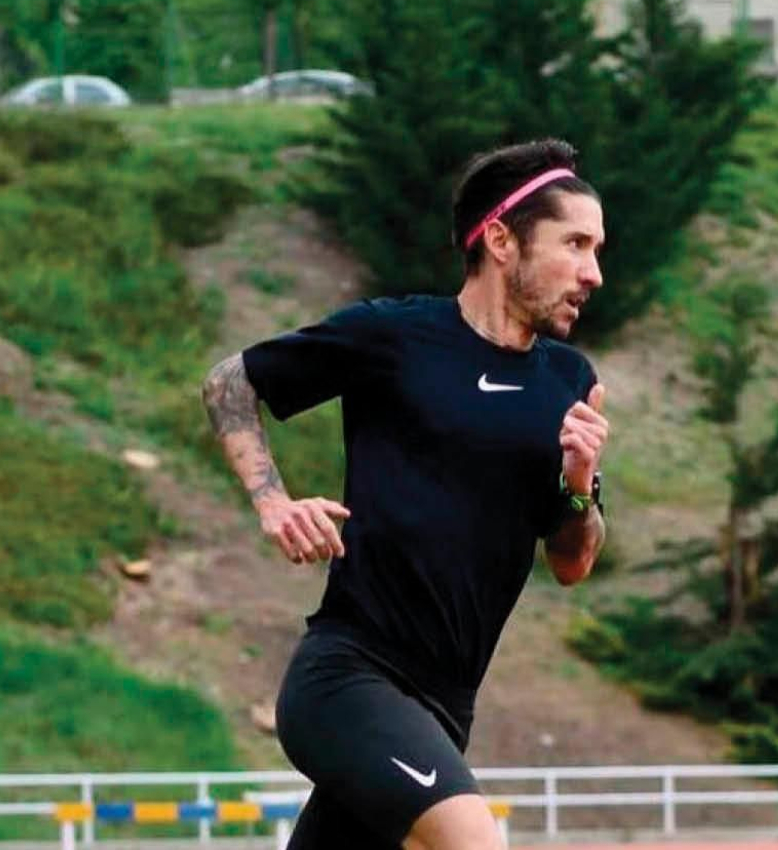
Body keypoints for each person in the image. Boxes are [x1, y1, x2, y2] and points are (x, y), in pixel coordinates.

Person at [200, 138, 608, 850]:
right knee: (476, 843)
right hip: (349, 678)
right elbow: (231, 383)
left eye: (598, 249)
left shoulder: (570, 383)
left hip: (445, 708)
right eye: (575, 244)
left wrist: (578, 487)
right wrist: (273, 500)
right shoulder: (396, 337)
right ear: (502, 241)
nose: (593, 272)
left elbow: (573, 563)